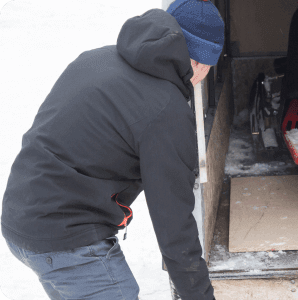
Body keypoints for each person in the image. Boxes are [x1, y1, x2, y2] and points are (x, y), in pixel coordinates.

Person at [1, 0, 223, 299]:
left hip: (20, 218)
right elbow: (174, 227)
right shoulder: (165, 110)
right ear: (200, 61)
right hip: (67, 240)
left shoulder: (95, 59)